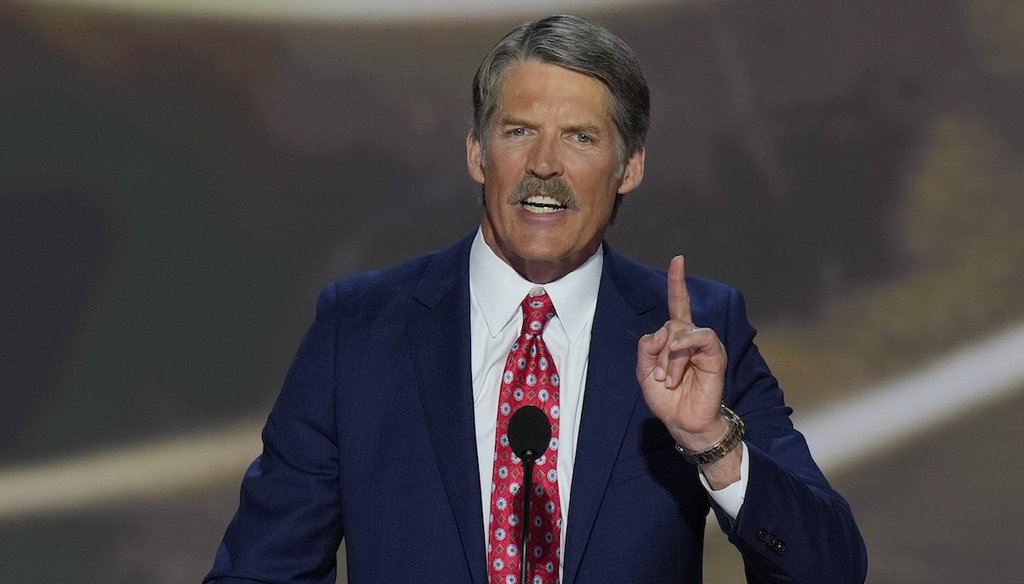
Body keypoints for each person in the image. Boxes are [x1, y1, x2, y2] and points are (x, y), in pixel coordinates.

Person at [204, 14, 867, 584]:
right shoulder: (360, 330)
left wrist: (713, 442)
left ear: (629, 167)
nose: (544, 164)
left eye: (580, 136)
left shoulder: (695, 331)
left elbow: (830, 569)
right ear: (477, 152)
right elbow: (262, 570)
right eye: (519, 131)